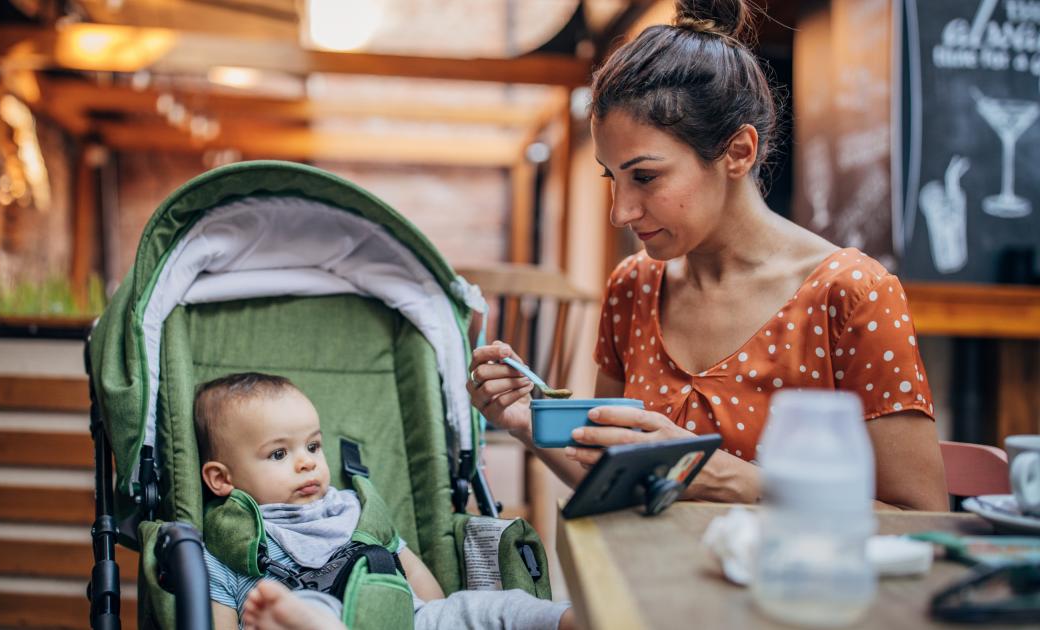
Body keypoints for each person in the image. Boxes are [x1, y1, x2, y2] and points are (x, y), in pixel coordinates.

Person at [467, 0, 948, 512]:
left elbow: (920, 516)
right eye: (613, 178)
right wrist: (524, 423)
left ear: (738, 152)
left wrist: (718, 474)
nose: (620, 213)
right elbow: (611, 478)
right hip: (644, 589)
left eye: (645, 177)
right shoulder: (634, 286)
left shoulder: (851, 295)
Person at [194, 372, 577, 630]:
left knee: (488, 608)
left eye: (313, 445)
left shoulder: (353, 509)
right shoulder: (227, 548)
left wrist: (441, 613)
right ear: (220, 478)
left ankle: (566, 620)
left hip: (404, 618)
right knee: (314, 609)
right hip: (320, 617)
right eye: (279, 454)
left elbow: (422, 587)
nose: (307, 461)